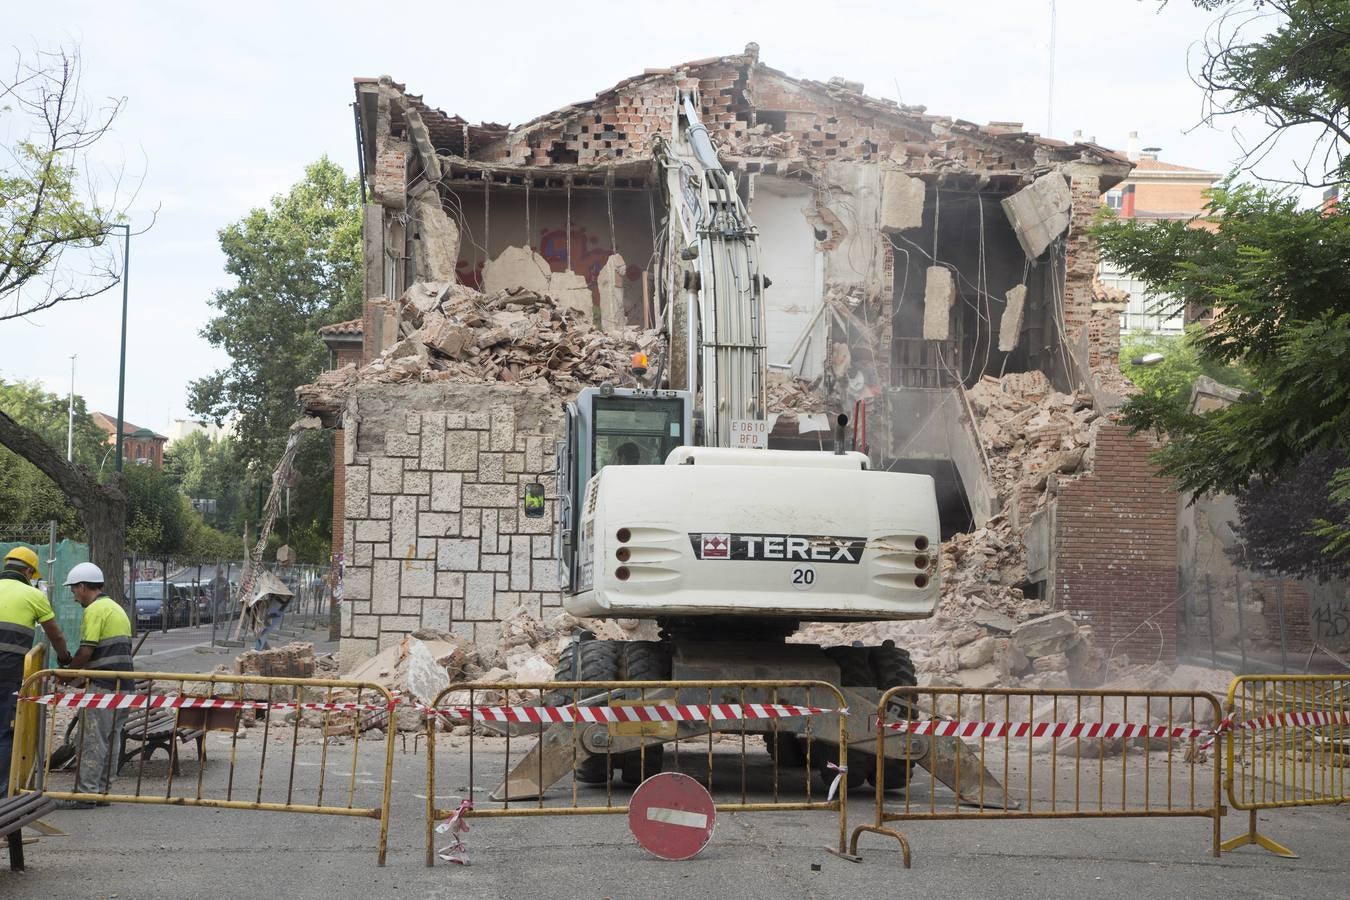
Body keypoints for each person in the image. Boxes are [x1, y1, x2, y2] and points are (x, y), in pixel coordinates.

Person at [57, 562, 133, 809]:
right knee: (111, 741)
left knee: (92, 740)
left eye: (73, 590)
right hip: (124, 687)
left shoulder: (95, 610)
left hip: (104, 688)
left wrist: (68, 675)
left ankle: (86, 794)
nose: (73, 595)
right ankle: (102, 792)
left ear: (82, 587)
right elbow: (107, 654)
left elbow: (87, 650)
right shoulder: (116, 608)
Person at [0, 547, 72, 796]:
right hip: (9, 672)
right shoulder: (33, 595)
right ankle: (3, 796)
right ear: (29, 571)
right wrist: (64, 659)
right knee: (5, 731)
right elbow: (55, 634)